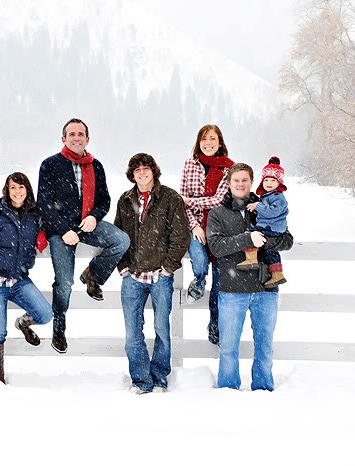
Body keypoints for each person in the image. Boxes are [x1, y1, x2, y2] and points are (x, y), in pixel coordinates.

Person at [37, 118, 130, 354]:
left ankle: (92, 274)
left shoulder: (95, 165)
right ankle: (59, 326)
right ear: (63, 138)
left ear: (87, 139)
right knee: (64, 282)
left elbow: (104, 199)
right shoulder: (50, 164)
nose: (76, 137)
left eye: (81, 134)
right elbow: (45, 204)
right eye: (71, 134)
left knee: (121, 241)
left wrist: (95, 217)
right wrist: (63, 230)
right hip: (60, 231)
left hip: (87, 224)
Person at [206, 163, 294, 391]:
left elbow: (287, 240)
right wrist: (247, 239)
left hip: (266, 288)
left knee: (265, 346)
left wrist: (264, 240)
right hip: (232, 288)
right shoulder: (218, 213)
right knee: (228, 347)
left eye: (245, 180)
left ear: (252, 182)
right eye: (236, 180)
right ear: (229, 183)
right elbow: (215, 246)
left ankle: (263, 388)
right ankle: (227, 389)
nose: (240, 184)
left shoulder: (266, 206)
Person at [114, 153, 189, 394]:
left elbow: (180, 236)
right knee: (132, 331)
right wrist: (123, 266)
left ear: (154, 171)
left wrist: (167, 267)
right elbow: (118, 237)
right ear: (132, 174)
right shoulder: (125, 201)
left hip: (160, 276)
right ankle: (140, 380)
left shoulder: (170, 198)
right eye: (137, 170)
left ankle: (159, 378)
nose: (142, 173)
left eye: (146, 169)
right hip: (132, 276)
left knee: (161, 329)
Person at [0, 172, 53, 383]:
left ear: (27, 190)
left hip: (20, 280)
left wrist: (41, 232)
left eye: (21, 187)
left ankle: (23, 323)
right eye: (13, 188)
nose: (17, 192)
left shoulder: (34, 215)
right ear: (7, 190)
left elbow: (49, 225)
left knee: (46, 314)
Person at [179, 124, 234, 346]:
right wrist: (194, 226)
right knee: (199, 259)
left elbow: (219, 199)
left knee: (220, 283)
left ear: (219, 142)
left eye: (212, 139)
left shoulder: (229, 168)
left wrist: (192, 201)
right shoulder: (189, 165)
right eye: (204, 139)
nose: (208, 143)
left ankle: (215, 324)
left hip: (220, 227)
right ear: (198, 142)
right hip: (195, 226)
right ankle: (199, 281)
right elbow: (182, 201)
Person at [237, 156, 289, 288]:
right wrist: (255, 208)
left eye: (273, 180)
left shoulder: (277, 196)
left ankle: (251, 258)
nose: (269, 183)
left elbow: (273, 212)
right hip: (272, 226)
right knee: (271, 251)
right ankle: (277, 274)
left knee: (252, 234)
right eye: (266, 180)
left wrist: (257, 206)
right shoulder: (267, 196)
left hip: (271, 227)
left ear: (279, 183)